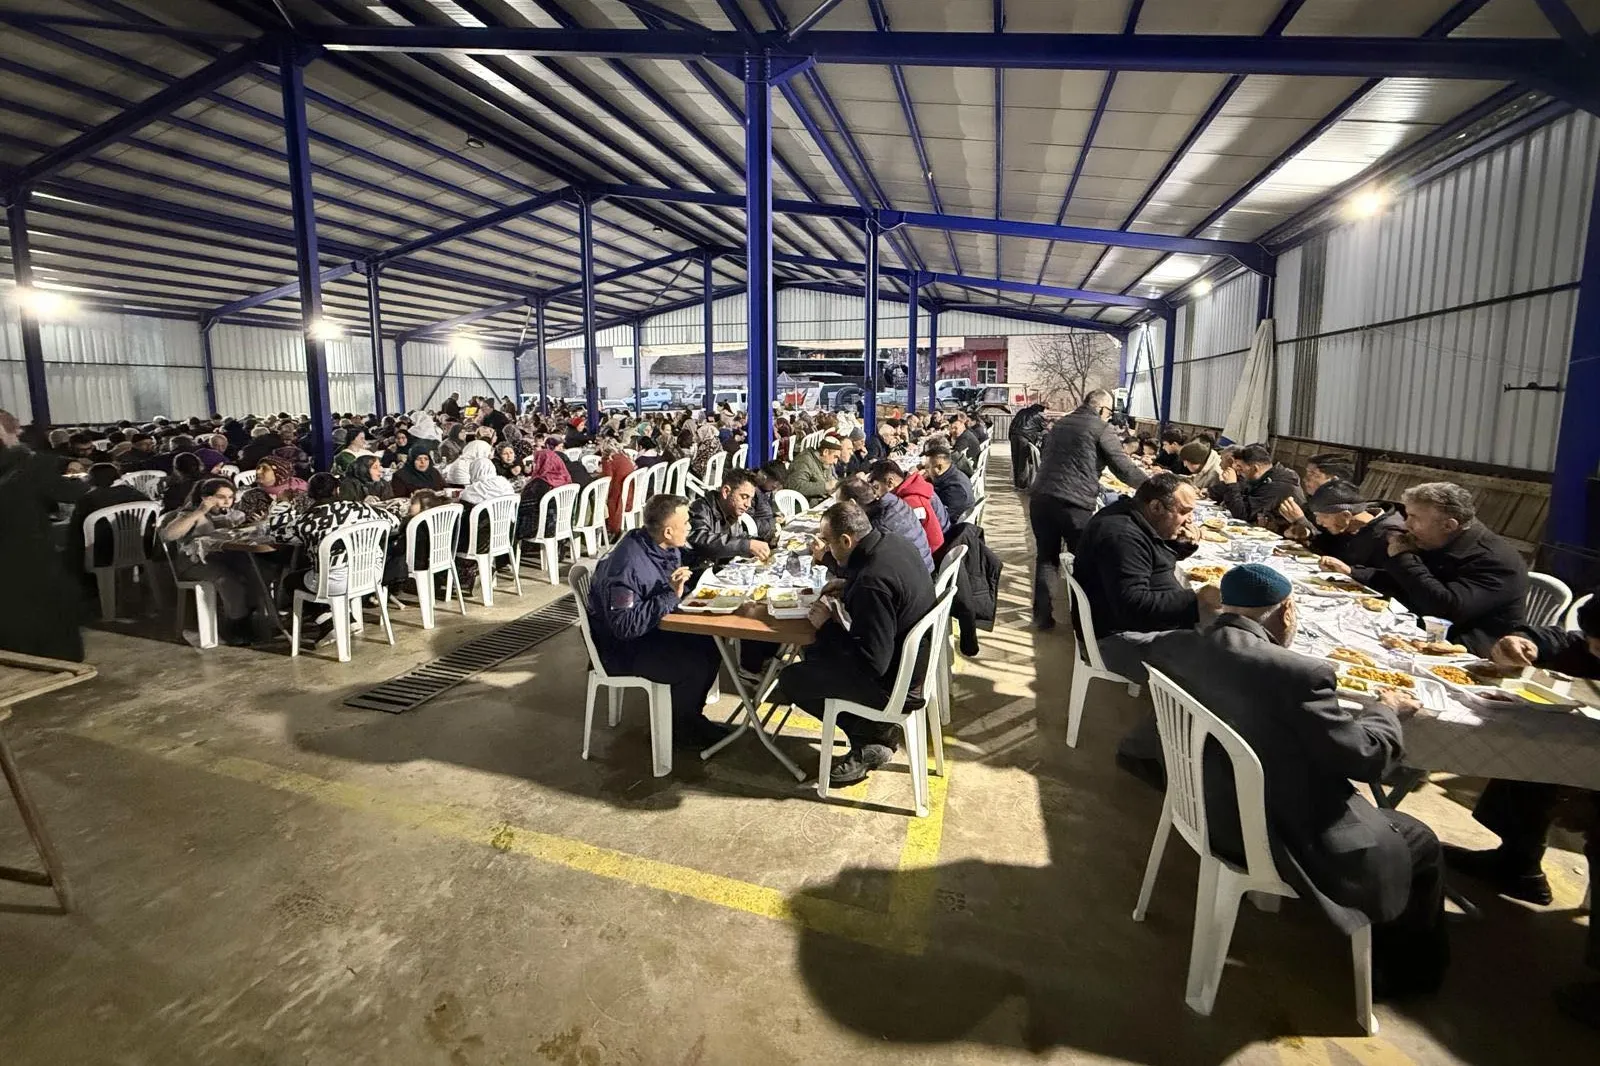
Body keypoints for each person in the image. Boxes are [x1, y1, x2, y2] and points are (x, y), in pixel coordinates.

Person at [1144, 564, 1448, 999]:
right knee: (1422, 839)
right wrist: (1386, 711)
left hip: (1201, 801)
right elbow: (1364, 759)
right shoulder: (1299, 673)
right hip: (1272, 833)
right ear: (1287, 611)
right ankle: (1409, 974)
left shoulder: (1178, 645)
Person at [1447, 595, 1600, 1028]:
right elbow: (1568, 642)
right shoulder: (1590, 644)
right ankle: (1517, 863)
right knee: (1536, 745)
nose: (1593, 650)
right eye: (1594, 641)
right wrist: (1526, 640)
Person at [771, 501, 937, 786]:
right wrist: (848, 585)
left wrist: (827, 625)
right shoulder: (892, 543)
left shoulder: (872, 581)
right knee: (815, 651)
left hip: (897, 685)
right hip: (915, 664)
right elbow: (886, 591)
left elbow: (872, 663)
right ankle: (874, 732)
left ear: (847, 541)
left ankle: (871, 736)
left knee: (792, 678)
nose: (826, 548)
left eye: (828, 542)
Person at [585, 494, 728, 750]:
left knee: (711, 644)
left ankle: (688, 717)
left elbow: (672, 574)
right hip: (620, 650)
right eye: (686, 523)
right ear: (668, 531)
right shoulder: (626, 566)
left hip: (650, 633)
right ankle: (676, 730)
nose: (690, 527)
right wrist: (670, 595)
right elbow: (624, 626)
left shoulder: (658, 545)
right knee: (693, 664)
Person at [1072, 473, 1220, 683]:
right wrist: (1196, 600)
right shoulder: (1122, 535)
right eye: (1183, 512)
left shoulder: (1132, 517)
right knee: (1221, 663)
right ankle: (1174, 704)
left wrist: (1179, 546)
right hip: (1115, 641)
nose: (1190, 520)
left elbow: (1149, 561)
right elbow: (1132, 606)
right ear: (1156, 507)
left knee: (1220, 633)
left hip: (1126, 626)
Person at [1027, 388, 1149, 629]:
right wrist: (1153, 487)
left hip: (1041, 497)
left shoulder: (1062, 424)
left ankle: (1042, 616)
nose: (1110, 416)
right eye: (1110, 412)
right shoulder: (1101, 428)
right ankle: (1084, 622)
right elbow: (1123, 468)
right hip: (1074, 503)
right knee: (1084, 561)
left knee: (1047, 558)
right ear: (1102, 409)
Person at [1381, 482, 1527, 654]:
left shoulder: (1494, 560)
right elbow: (1411, 584)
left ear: (1449, 526)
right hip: (1423, 633)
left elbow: (1445, 608)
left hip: (1472, 651)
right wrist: (1357, 574)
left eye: (1415, 518)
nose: (1407, 525)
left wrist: (1403, 558)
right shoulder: (1438, 540)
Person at [0, 410, 87, 660]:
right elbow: (71, 492)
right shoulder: (29, 466)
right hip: (28, 552)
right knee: (45, 613)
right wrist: (80, 477)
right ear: (14, 432)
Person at [158, 477, 266, 646]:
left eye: (230, 497)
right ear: (206, 498)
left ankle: (249, 617)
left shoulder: (230, 515)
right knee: (228, 581)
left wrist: (256, 523)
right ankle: (235, 628)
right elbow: (168, 535)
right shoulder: (191, 514)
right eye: (221, 497)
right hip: (194, 563)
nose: (227, 502)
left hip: (223, 559)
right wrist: (200, 511)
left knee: (257, 571)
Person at [1295, 481, 1407, 592]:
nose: (1319, 522)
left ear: (1346, 515)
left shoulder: (1390, 535)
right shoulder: (1345, 526)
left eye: (1324, 516)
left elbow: (1398, 580)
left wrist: (1352, 571)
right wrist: (1308, 536)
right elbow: (1333, 548)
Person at [684, 468, 771, 572]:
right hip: (698, 575)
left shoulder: (731, 511)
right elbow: (702, 540)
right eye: (744, 497)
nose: (748, 504)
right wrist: (747, 545)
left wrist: (764, 542)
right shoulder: (700, 509)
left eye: (750, 499)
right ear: (726, 492)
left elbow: (738, 537)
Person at [839, 476, 931, 572]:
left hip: (918, 573)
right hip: (924, 565)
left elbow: (863, 566)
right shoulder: (893, 502)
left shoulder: (879, 526)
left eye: (839, 506)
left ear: (852, 504)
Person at [1212, 442, 1304, 532]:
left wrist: (1231, 485)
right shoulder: (1262, 478)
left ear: (1255, 468)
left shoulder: (1277, 485)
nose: (1238, 473)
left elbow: (1242, 514)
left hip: (1287, 534)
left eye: (1240, 468)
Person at [868, 460, 945, 556]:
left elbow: (929, 539)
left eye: (876, 487)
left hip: (932, 554)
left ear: (890, 482)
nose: (875, 494)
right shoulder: (914, 488)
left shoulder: (912, 502)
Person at [517, 448, 573, 539]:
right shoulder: (564, 477)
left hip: (541, 527)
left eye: (536, 462)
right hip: (562, 522)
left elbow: (524, 506)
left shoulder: (540, 483)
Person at [922, 439, 974, 525]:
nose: (925, 470)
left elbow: (940, 518)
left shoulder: (955, 489)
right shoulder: (952, 474)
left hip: (953, 528)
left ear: (939, 468)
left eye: (927, 467)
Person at [786, 435, 843, 503]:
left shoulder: (826, 461)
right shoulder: (804, 461)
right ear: (825, 452)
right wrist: (825, 486)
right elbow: (795, 486)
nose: (835, 462)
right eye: (835, 457)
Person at [597, 439, 636, 537]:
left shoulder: (609, 460)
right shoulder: (624, 457)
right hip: (630, 495)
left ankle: (605, 531)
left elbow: (607, 480)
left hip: (619, 497)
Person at [1009, 401, 1047, 489]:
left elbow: (1013, 423)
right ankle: (1022, 485)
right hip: (1024, 438)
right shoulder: (1037, 416)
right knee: (1022, 462)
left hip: (1013, 435)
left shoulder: (1022, 411)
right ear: (1039, 411)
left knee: (1015, 460)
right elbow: (1044, 429)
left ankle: (1016, 483)